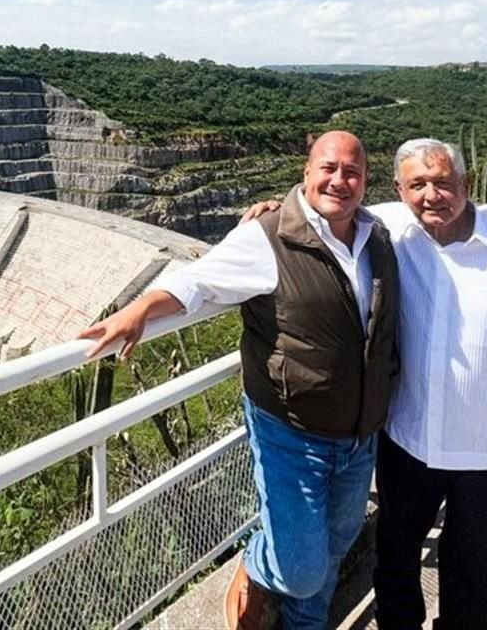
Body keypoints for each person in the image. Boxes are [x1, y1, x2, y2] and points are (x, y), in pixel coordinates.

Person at [78, 131, 400, 630]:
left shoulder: (377, 234)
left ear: (366, 181)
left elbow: (433, 213)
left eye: (352, 172)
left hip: (359, 435)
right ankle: (256, 563)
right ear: (307, 173)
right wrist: (142, 307)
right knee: (300, 568)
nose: (339, 180)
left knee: (339, 543)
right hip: (292, 431)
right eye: (329, 169)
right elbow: (199, 280)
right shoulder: (267, 236)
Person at [245, 138, 487, 630]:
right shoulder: (388, 233)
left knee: (475, 575)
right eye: (417, 184)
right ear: (399, 190)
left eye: (443, 182)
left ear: (467, 184)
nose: (431, 195)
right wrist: (273, 211)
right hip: (407, 444)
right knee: (395, 560)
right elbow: (326, 202)